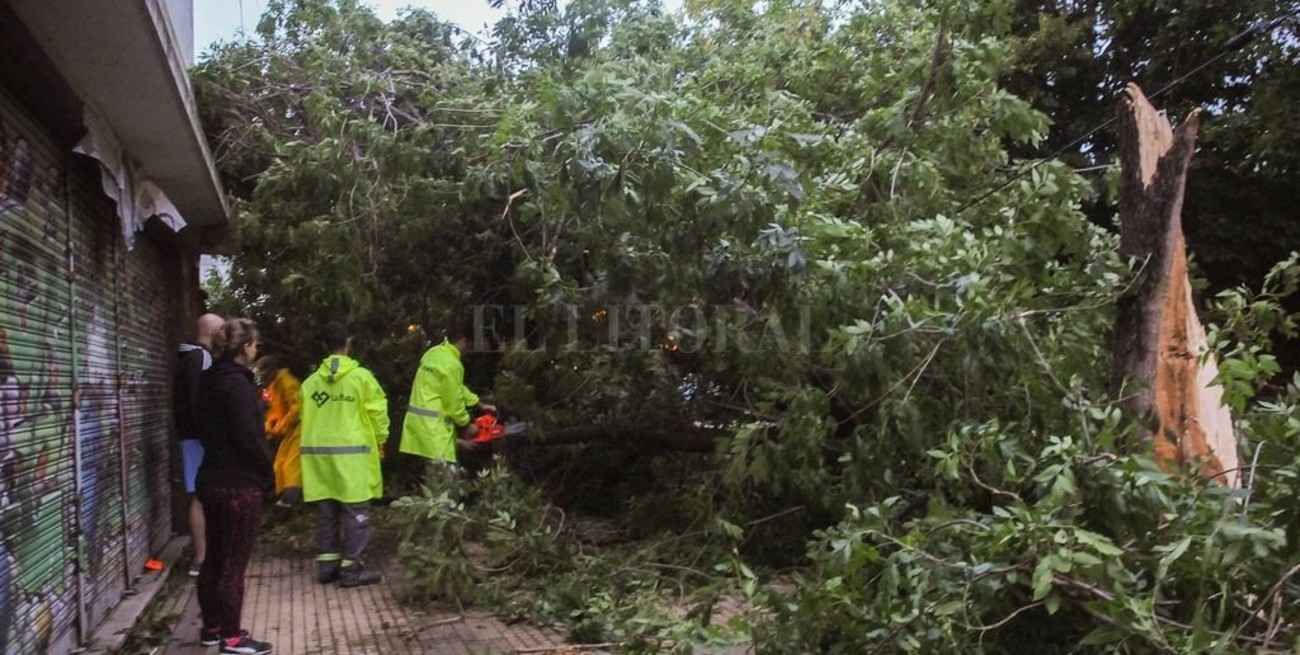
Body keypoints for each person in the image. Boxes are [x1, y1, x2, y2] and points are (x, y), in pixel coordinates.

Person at [194, 318, 274, 655]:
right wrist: (266, 470)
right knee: (234, 563)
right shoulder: (239, 384)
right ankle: (232, 639)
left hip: (210, 478)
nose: (256, 349)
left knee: (213, 556)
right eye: (254, 344)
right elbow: (247, 436)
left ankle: (211, 628)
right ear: (245, 348)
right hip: (238, 485)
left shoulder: (208, 381)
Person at [299, 322, 389, 588]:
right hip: (352, 457)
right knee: (356, 514)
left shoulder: (310, 383)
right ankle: (351, 571)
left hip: (318, 459)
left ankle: (327, 567)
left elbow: (305, 417)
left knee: (327, 513)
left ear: (325, 346)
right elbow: (378, 414)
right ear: (348, 343)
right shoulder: (362, 378)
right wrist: (380, 440)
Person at [399, 320, 494, 469]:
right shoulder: (453, 364)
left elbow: (454, 387)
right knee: (444, 485)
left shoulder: (433, 354)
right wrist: (467, 424)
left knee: (432, 483)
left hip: (418, 429)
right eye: (469, 346)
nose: (468, 351)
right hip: (435, 432)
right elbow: (454, 403)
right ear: (464, 341)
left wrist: (478, 404)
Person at [174, 312, 224, 577]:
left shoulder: (187, 358)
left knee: (199, 493)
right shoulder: (202, 358)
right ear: (214, 333)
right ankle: (203, 559)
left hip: (189, 436)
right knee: (201, 495)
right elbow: (200, 401)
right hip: (198, 438)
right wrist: (212, 434)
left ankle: (204, 557)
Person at [254, 356, 302, 505]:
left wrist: (278, 428)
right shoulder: (270, 386)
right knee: (279, 464)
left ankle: (289, 501)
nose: (260, 377)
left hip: (299, 430)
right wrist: (269, 429)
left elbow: (297, 409)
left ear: (271, 371)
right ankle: (281, 499)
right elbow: (271, 411)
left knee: (291, 466)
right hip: (285, 433)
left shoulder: (287, 382)